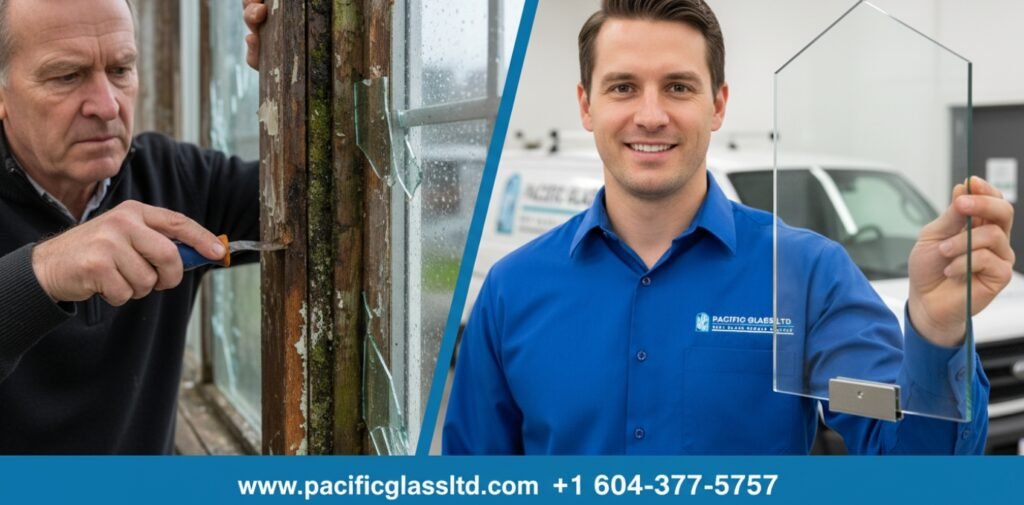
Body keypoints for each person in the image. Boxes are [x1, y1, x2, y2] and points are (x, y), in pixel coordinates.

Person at [443, 0, 1015, 454]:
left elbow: (909, 464)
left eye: (678, 86)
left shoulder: (806, 277)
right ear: (586, 105)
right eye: (622, 87)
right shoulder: (511, 291)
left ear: (717, 104)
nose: (650, 115)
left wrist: (936, 332)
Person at [0, 0, 269, 453]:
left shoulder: (175, 179)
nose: (107, 106)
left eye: (121, 69)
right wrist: (45, 271)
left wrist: (301, 73)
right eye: (67, 76)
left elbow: (322, 199)